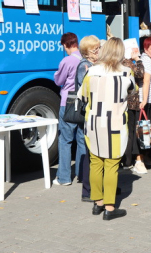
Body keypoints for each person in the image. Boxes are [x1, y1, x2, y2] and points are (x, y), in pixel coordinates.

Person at [78, 38, 135, 220]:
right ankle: (110, 208)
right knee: (111, 165)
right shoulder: (127, 73)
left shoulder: (92, 71)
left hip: (94, 123)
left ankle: (98, 203)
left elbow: (83, 96)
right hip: (116, 123)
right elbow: (132, 92)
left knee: (96, 162)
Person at [53, 32, 84, 186]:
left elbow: (59, 80)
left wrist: (55, 74)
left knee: (65, 140)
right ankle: (82, 174)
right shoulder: (85, 60)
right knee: (82, 139)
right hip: (83, 102)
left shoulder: (67, 60)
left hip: (68, 102)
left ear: (66, 44)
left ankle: (64, 178)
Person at [76, 35, 100, 202]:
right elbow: (87, 91)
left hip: (96, 113)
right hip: (89, 114)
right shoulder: (84, 66)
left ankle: (98, 187)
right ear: (90, 51)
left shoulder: (92, 65)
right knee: (90, 153)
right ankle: (87, 190)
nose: (100, 51)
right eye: (97, 49)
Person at [122, 47, 146, 173]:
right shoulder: (127, 63)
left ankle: (126, 161)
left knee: (127, 131)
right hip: (131, 103)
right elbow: (140, 73)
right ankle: (128, 161)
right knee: (130, 132)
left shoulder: (120, 62)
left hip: (124, 102)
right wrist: (138, 59)